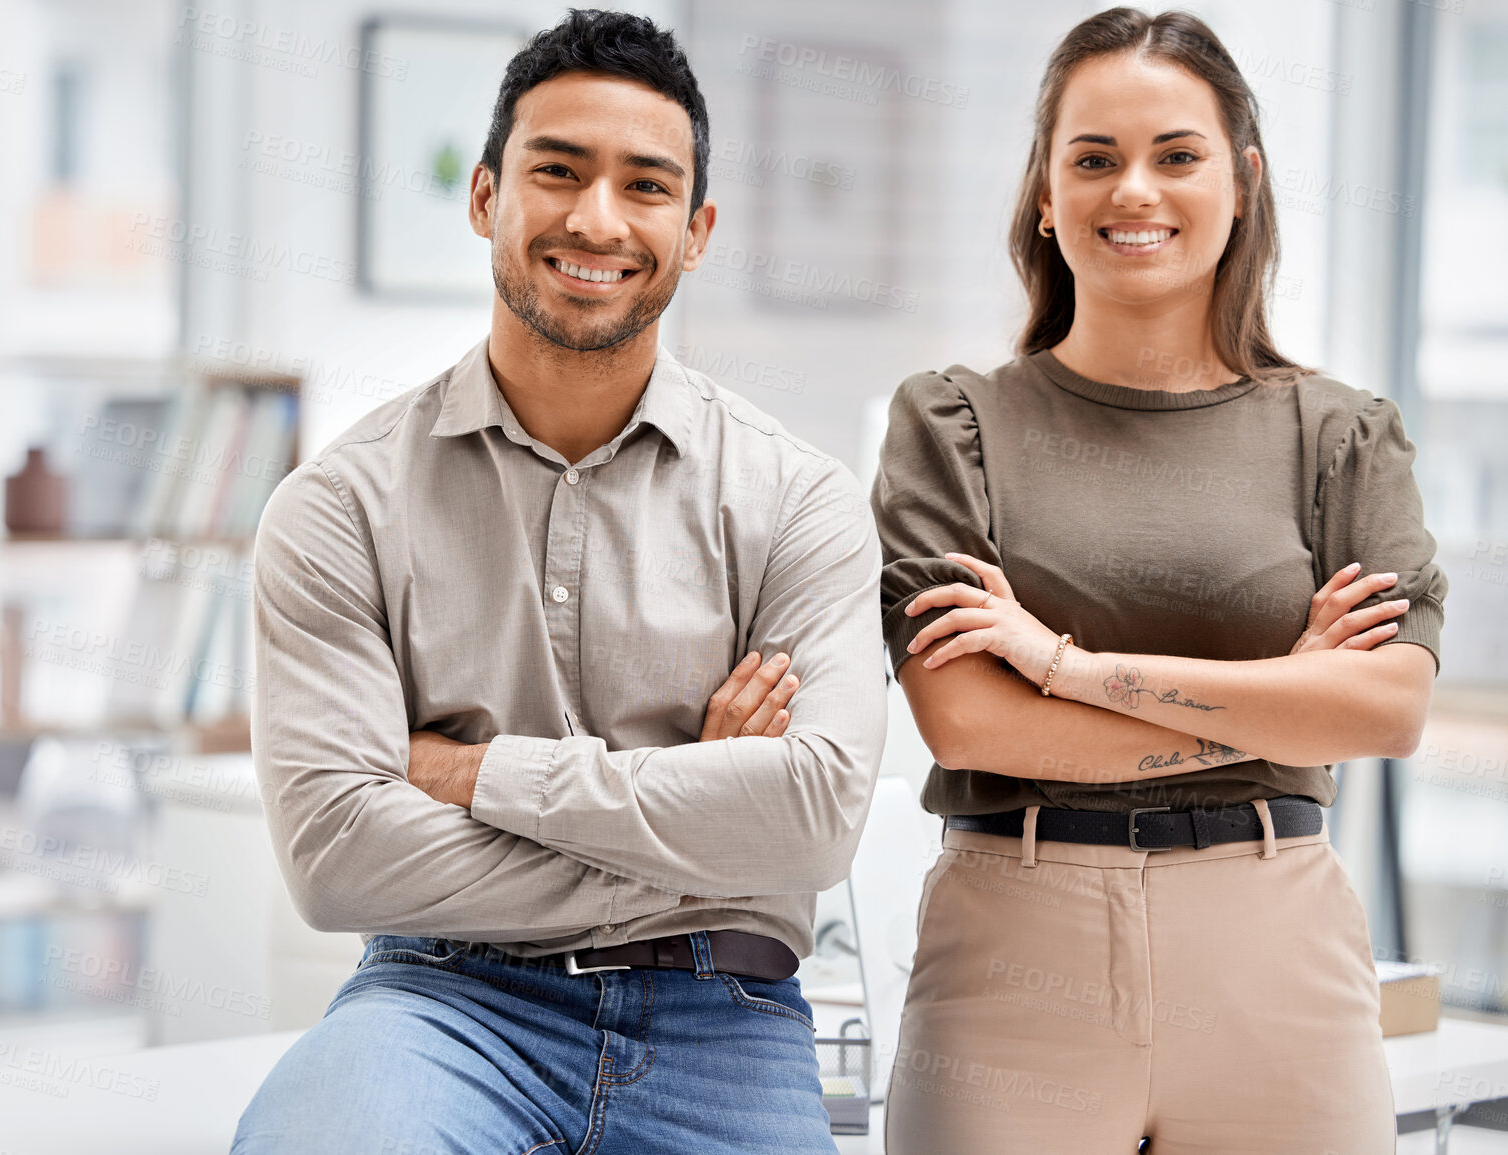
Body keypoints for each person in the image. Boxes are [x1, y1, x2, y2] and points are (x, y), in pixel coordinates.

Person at [231, 10, 887, 1154]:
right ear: (487, 196)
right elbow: (341, 855)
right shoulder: (337, 509)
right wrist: (694, 822)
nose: (597, 218)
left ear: (695, 232)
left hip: (722, 1018)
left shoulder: (800, 501)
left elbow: (813, 822)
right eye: (558, 171)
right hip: (442, 1004)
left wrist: (475, 773)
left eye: (645, 185)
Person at [869, 8, 1443, 1153]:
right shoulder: (953, 423)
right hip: (1016, 950)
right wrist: (1280, 705)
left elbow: (1386, 708)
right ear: (1046, 192)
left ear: (1243, 181)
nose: (1135, 190)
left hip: (1274, 946)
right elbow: (970, 724)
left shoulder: (1342, 436)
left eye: (1176, 155)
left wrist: (1066, 669)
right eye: (1093, 159)